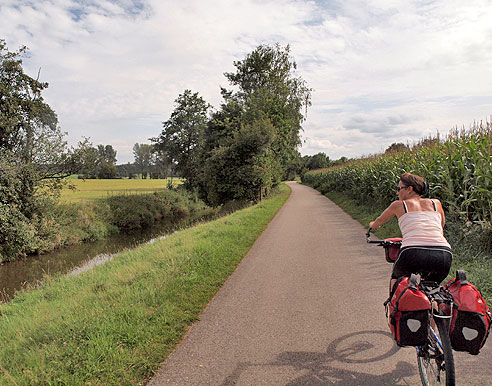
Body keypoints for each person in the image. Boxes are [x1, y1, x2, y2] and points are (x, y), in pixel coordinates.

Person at [369, 172, 452, 291]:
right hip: (443, 253)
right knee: (432, 289)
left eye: (399, 188)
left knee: (397, 280)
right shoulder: (436, 203)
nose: (397, 192)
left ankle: (395, 306)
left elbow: (379, 221)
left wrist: (372, 226)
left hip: (412, 251)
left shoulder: (398, 205)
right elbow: (441, 226)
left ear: (410, 189)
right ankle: (434, 307)